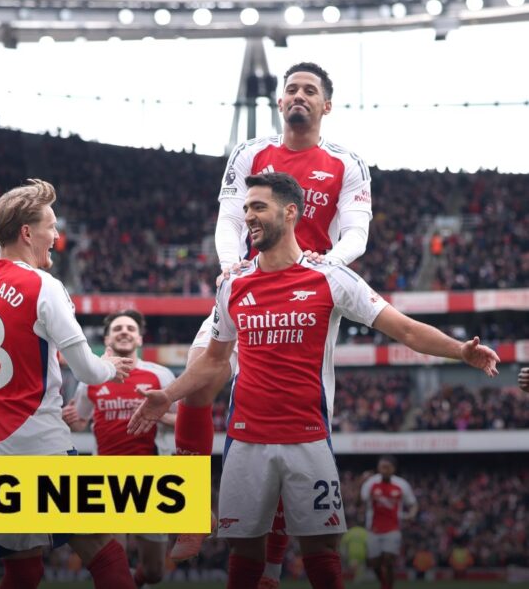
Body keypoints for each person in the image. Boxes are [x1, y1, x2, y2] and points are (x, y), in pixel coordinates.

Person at [128, 172, 500, 589]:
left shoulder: (331, 276)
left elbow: (405, 330)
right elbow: (215, 362)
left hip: (308, 438)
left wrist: (460, 351)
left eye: (258, 207)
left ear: (290, 212)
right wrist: (169, 394)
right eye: (246, 207)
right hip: (245, 441)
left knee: (322, 550)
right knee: (243, 552)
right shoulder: (233, 284)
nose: (248, 216)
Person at [172, 62, 374, 582]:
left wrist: (326, 264)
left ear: (326, 105)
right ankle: (193, 514)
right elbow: (229, 219)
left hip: (309, 300)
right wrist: (227, 263)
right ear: (280, 103)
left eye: (310, 90)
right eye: (291, 90)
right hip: (249, 287)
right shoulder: (249, 155)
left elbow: (356, 231)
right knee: (198, 380)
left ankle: (271, 564)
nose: (299, 96)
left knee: (291, 426)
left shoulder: (345, 164)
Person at [0, 179, 138, 589]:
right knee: (102, 548)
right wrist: (112, 366)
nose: (56, 236)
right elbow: (89, 372)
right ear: (27, 233)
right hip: (40, 445)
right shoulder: (44, 286)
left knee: (22, 570)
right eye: (52, 226)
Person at [62, 309, 176, 588]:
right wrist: (71, 421)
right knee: (115, 562)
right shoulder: (92, 378)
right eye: (117, 328)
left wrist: (156, 415)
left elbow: (184, 421)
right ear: (107, 338)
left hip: (151, 479)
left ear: (139, 338)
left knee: (154, 572)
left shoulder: (160, 376)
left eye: (130, 328)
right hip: (106, 477)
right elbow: (81, 423)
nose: (124, 331)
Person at [360, 456, 417, 589]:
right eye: (381, 467)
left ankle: (388, 586)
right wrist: (361, 483)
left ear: (393, 469)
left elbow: (413, 503)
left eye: (387, 467)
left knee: (389, 559)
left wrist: (411, 514)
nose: (384, 470)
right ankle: (384, 583)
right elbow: (360, 501)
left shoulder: (401, 484)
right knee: (374, 563)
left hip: (393, 528)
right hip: (373, 528)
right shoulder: (371, 483)